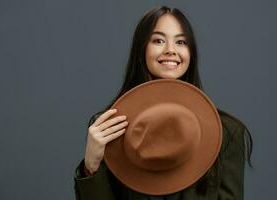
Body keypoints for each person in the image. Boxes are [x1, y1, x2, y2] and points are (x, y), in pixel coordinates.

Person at [73, 5, 253, 200]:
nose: (170, 50)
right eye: (158, 40)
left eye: (181, 42)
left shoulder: (228, 132)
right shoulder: (108, 127)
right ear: (141, 49)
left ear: (191, 53)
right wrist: (90, 167)